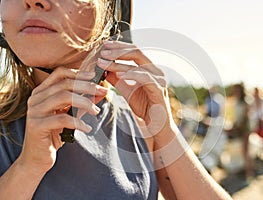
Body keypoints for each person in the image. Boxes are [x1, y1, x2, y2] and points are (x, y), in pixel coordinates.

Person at [0, 0, 232, 199]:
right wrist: (27, 168)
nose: (32, 0)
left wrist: (165, 130)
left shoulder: (140, 124)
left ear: (111, 12)